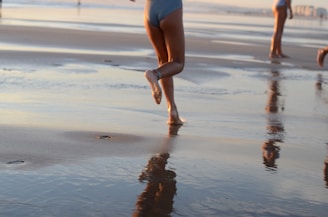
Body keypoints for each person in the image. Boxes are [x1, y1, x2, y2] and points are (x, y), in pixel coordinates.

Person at [130, 0, 184, 125]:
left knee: (164, 62)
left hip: (150, 12)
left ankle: (172, 112)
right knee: (177, 62)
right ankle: (154, 74)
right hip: (171, 8)